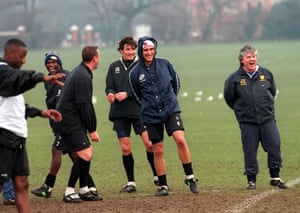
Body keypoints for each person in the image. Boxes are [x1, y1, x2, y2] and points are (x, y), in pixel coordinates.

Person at [0, 38, 65, 213]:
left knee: (22, 183)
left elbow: (17, 106)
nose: (24, 60)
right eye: (22, 56)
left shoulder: (10, 76)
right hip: (3, 135)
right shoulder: (3, 71)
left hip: (18, 136)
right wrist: (42, 77)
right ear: (10, 54)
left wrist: (42, 112)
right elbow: (19, 78)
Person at [128, 36, 199, 196]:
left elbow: (176, 83)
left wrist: (170, 100)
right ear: (140, 51)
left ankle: (190, 177)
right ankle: (163, 185)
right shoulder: (134, 73)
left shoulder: (165, 64)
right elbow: (136, 95)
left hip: (170, 109)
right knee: (157, 149)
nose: (149, 53)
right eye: (145, 50)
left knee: (180, 139)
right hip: (151, 114)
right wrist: (150, 105)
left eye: (151, 49)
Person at [31, 52, 100, 200]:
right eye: (48, 63)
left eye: (54, 62)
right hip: (58, 123)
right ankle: (90, 186)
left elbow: (71, 101)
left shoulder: (68, 77)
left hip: (67, 123)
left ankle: (48, 187)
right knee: (77, 155)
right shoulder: (49, 81)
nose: (51, 65)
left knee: (58, 150)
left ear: (60, 63)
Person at [223, 44, 288, 190]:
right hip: (248, 122)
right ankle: (251, 180)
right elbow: (229, 98)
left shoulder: (266, 74)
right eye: (248, 57)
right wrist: (241, 112)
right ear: (242, 60)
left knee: (274, 146)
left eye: (254, 56)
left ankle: (275, 177)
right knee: (250, 150)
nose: (252, 59)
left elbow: (273, 91)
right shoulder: (234, 79)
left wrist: (267, 107)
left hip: (267, 119)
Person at [105, 36, 157, 193]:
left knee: (149, 144)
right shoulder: (114, 67)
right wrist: (111, 94)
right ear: (121, 50)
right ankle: (131, 182)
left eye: (132, 48)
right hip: (120, 112)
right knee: (125, 148)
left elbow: (145, 87)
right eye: (127, 49)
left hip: (140, 111)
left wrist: (127, 94)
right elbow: (109, 87)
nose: (130, 51)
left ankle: (157, 175)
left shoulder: (141, 66)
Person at [55, 46, 101, 203]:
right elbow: (84, 105)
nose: (99, 58)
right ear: (95, 58)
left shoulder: (81, 72)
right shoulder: (83, 76)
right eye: (98, 56)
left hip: (71, 120)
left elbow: (84, 103)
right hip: (69, 121)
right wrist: (92, 129)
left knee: (87, 153)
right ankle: (69, 191)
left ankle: (84, 189)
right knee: (86, 154)